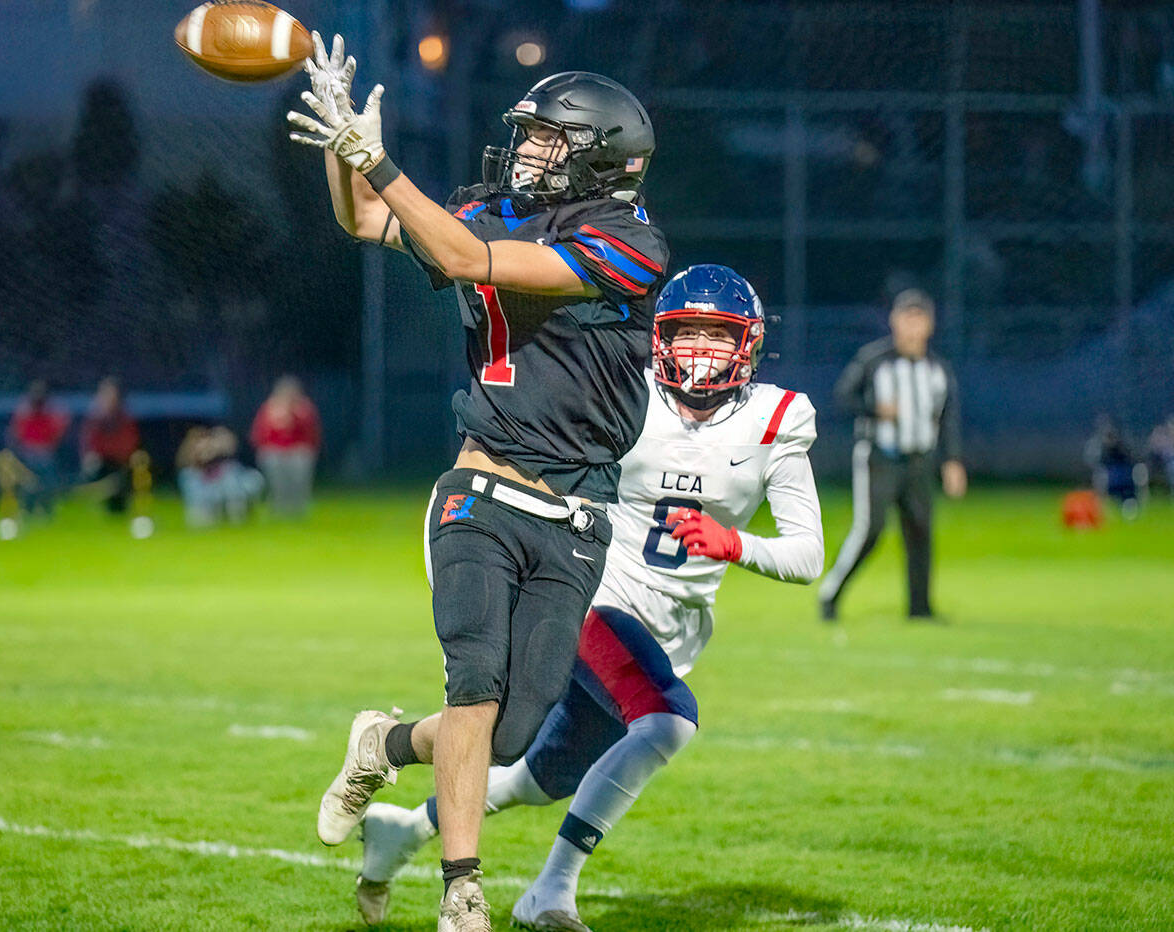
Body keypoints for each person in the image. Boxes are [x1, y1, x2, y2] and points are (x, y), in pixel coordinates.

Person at [288, 35, 669, 930]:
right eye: (529, 134)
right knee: (476, 685)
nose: (528, 149)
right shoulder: (486, 207)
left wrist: (375, 162)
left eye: (548, 138)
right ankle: (464, 890)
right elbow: (368, 223)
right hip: (480, 491)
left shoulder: (628, 240)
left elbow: (467, 260)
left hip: (576, 510)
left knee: (510, 731)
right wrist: (348, 149)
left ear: (601, 156)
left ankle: (383, 743)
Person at [347, 265, 824, 930]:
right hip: (593, 591)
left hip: (667, 629)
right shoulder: (622, 395)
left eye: (718, 336)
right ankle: (551, 891)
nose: (699, 352)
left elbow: (807, 555)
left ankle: (402, 827)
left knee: (538, 772)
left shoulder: (777, 420)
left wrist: (733, 543)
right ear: (659, 338)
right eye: (686, 333)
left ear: (749, 345)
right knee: (666, 721)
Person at [817, 289, 965, 622]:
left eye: (919, 318)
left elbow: (948, 417)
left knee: (921, 532)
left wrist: (952, 460)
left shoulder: (939, 369)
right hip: (880, 456)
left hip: (920, 460)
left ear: (930, 324)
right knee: (870, 529)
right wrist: (874, 409)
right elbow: (842, 397)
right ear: (894, 321)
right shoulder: (873, 360)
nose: (913, 326)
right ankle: (831, 594)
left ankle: (920, 608)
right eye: (906, 318)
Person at [251, 375, 322, 517]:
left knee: (299, 464)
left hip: (298, 451)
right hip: (275, 451)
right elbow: (259, 435)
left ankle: (298, 508)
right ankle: (278, 506)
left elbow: (311, 435)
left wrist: (295, 416)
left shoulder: (304, 409)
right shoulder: (269, 408)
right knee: (274, 463)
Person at [176, 425, 265, 527]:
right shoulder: (189, 472)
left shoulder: (226, 461)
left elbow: (232, 456)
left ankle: (237, 519)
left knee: (233, 482)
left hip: (226, 489)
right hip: (204, 493)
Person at [6, 379, 70, 516]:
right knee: (29, 486)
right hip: (28, 454)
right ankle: (27, 510)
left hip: (47, 454)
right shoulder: (25, 411)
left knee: (48, 485)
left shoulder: (52, 411)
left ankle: (47, 511)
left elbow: (59, 431)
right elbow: (17, 433)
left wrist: (48, 446)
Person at [79, 376, 140, 514]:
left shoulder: (124, 417)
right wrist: (90, 456)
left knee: (121, 490)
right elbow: (89, 441)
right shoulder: (95, 418)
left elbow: (129, 440)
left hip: (120, 462)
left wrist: (123, 456)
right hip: (101, 462)